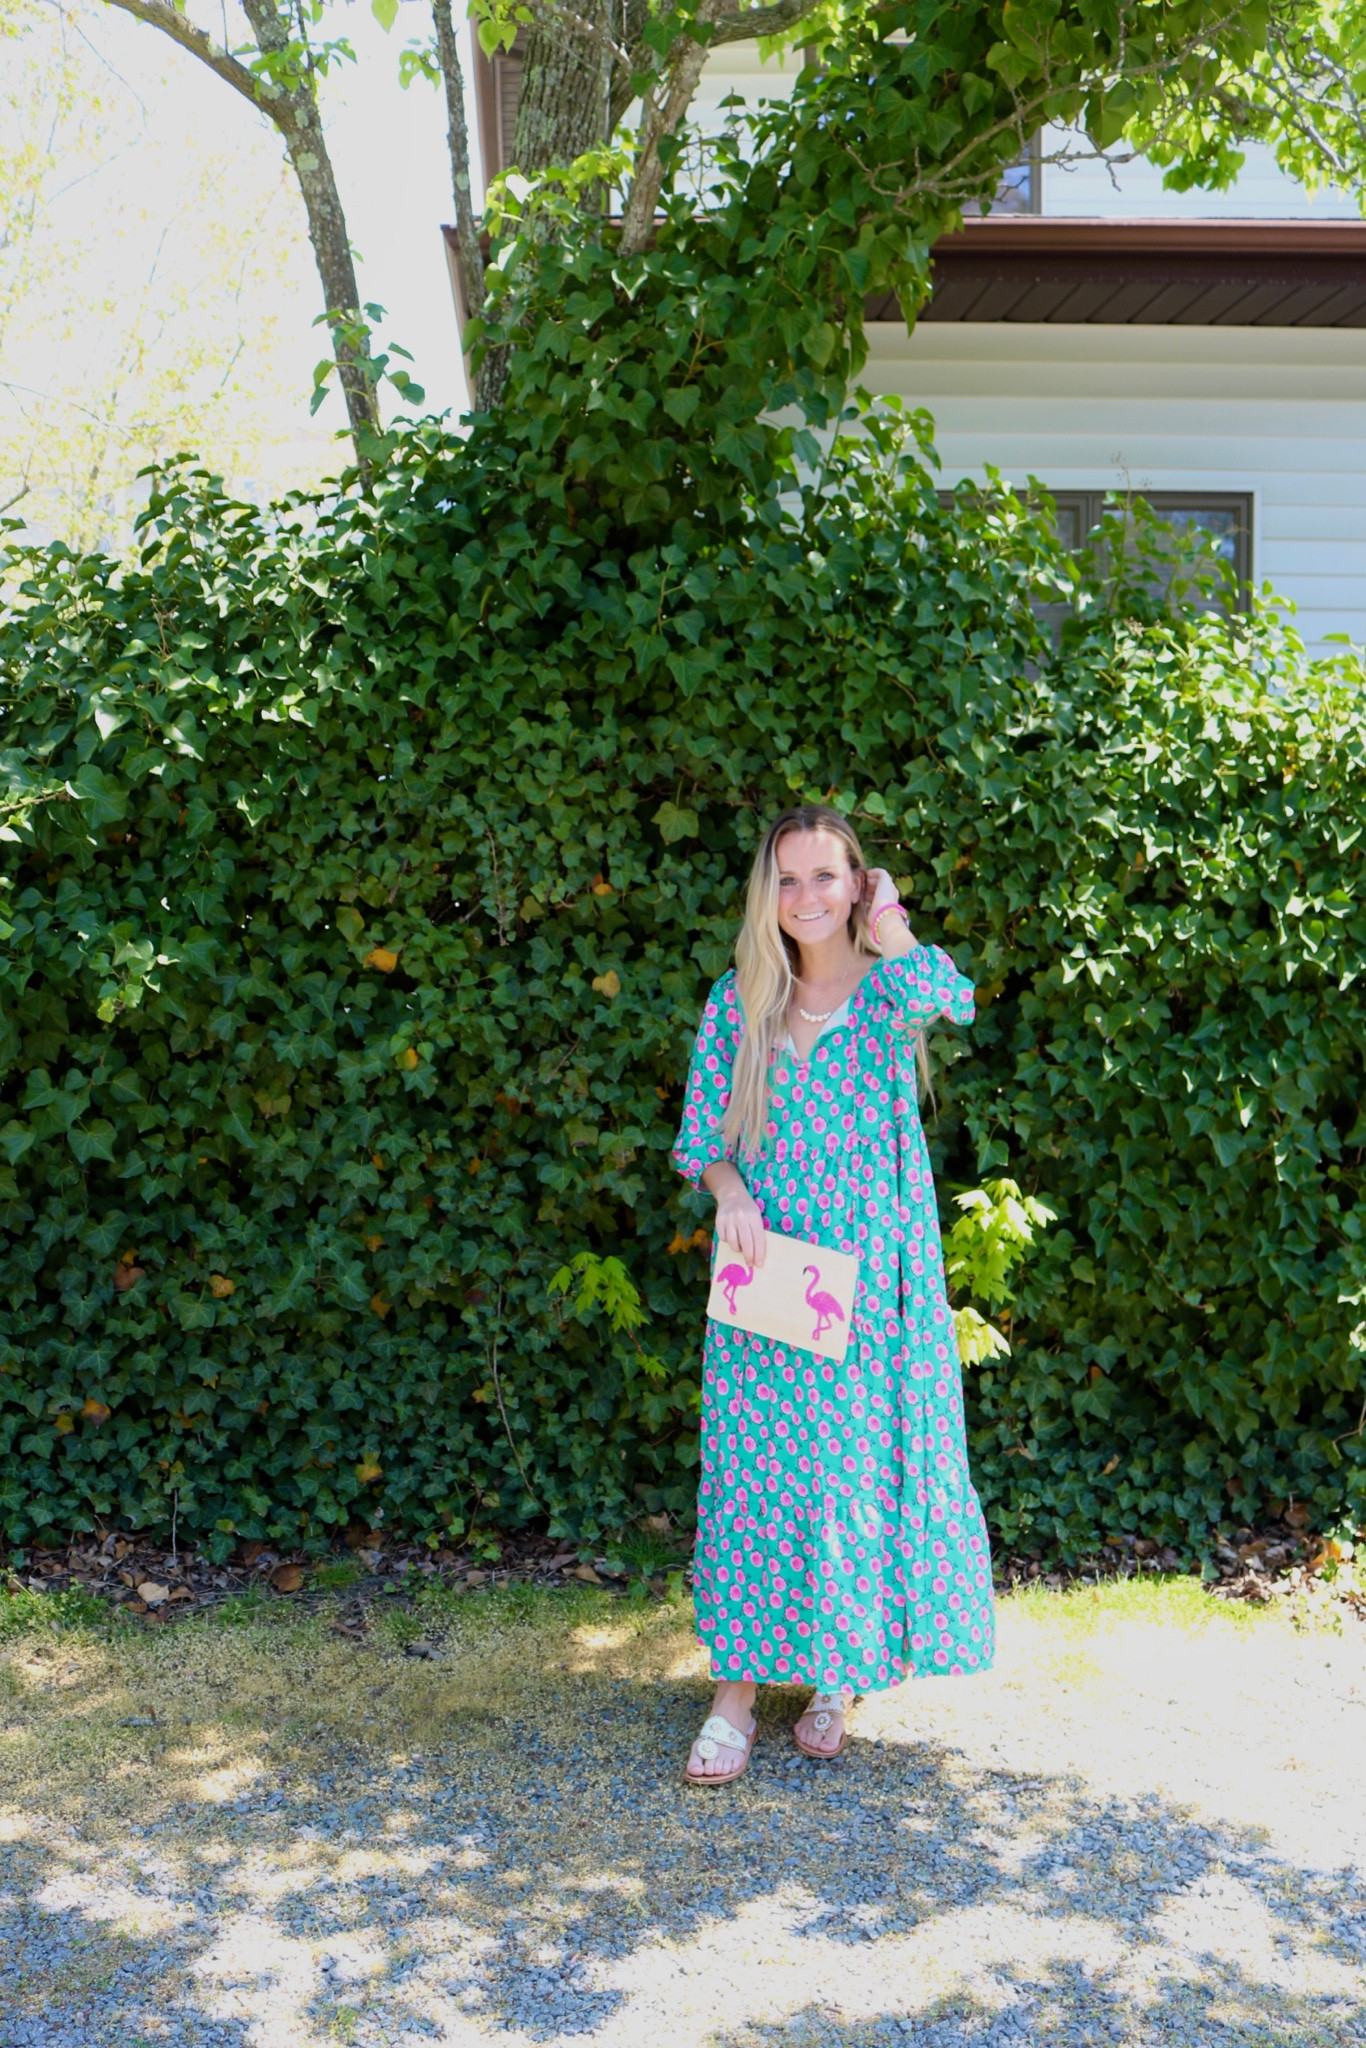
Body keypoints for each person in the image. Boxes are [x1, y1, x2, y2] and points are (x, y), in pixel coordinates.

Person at [670, 803, 995, 1784]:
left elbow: (956, 997)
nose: (804, 895)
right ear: (763, 894)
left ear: (857, 883)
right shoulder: (741, 1000)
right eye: (787, 877)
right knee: (749, 1476)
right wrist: (728, 1194)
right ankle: (734, 1689)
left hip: (871, 1283)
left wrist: (891, 927)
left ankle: (833, 1671)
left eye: (826, 875)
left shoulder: (890, 995)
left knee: (843, 1482)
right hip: (769, 1273)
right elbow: (701, 1144)